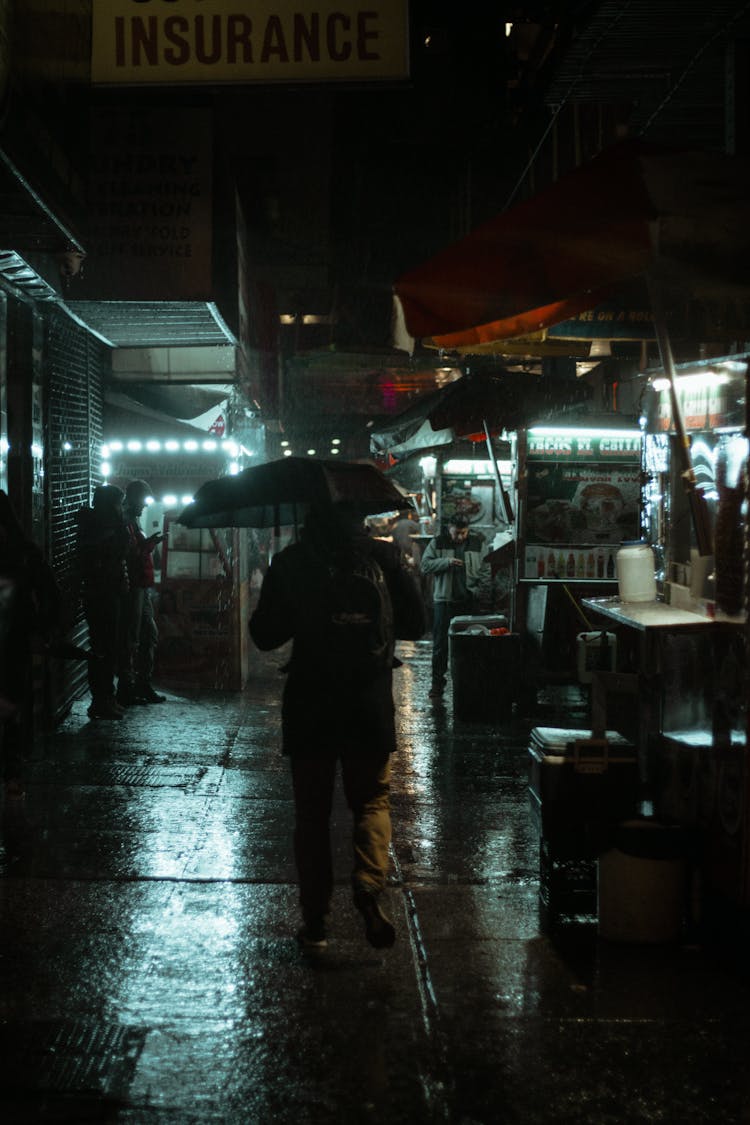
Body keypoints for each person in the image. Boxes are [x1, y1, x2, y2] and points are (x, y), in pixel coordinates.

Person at [248, 502, 425, 952]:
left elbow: (264, 635)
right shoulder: (382, 557)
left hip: (311, 702)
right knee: (371, 800)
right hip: (367, 700)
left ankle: (315, 921)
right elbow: (418, 625)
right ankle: (367, 887)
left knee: (311, 816)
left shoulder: (293, 560)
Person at [0, 491, 61, 797]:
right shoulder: (26, 552)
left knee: (10, 703)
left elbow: (50, 596)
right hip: (15, 639)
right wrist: (42, 628)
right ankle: (13, 770)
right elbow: (51, 594)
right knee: (11, 703)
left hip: (14, 640)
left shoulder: (24, 554)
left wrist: (40, 628)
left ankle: (13, 769)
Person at [75, 484, 130, 720]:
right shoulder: (99, 529)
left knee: (108, 648)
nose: (121, 508)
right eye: (118, 503)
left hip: (108, 593)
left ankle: (107, 696)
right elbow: (103, 560)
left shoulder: (106, 526)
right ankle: (101, 700)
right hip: (101, 595)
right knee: (102, 649)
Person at [420, 512, 488, 699]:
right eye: (456, 533)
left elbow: (485, 569)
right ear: (449, 529)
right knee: (441, 645)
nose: (460, 537)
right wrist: (446, 562)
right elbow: (425, 566)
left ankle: (469, 684)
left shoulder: (476, 543)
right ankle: (437, 684)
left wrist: (481, 591)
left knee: (470, 645)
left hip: (468, 601)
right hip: (444, 602)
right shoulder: (438, 542)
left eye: (463, 533)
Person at [117, 480, 166, 705]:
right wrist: (149, 544)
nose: (144, 507)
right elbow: (129, 553)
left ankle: (141, 684)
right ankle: (128, 688)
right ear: (135, 498)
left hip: (141, 587)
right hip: (134, 587)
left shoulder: (132, 520)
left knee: (147, 635)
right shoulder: (125, 520)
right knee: (133, 638)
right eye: (143, 501)